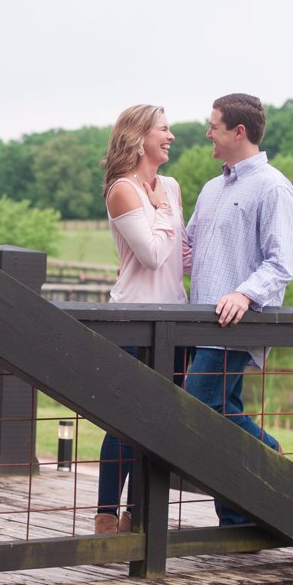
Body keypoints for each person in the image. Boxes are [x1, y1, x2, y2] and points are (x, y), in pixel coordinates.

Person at [184, 92, 293, 527]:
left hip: (235, 323)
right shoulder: (212, 188)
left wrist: (245, 294)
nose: (208, 133)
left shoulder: (273, 187)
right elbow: (191, 248)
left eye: (213, 125)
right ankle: (237, 519)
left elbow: (280, 263)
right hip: (199, 325)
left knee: (196, 414)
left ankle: (270, 455)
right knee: (224, 417)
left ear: (239, 131)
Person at [94, 104, 189, 535]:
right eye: (164, 130)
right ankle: (106, 515)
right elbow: (151, 257)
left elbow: (178, 256)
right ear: (139, 137)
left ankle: (138, 513)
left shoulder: (170, 184)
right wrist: (162, 210)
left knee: (159, 423)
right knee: (126, 420)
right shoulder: (123, 189)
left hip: (173, 316)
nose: (171, 137)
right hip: (134, 316)